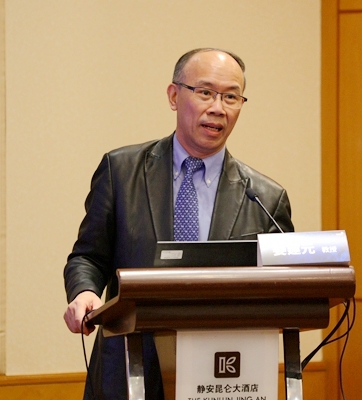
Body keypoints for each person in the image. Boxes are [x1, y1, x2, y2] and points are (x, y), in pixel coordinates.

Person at [63, 48, 294, 400]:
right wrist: (84, 292)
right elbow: (89, 256)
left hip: (223, 370)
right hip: (129, 365)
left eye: (231, 97)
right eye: (205, 92)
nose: (218, 107)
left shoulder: (265, 197)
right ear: (174, 96)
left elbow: (285, 286)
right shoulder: (121, 171)